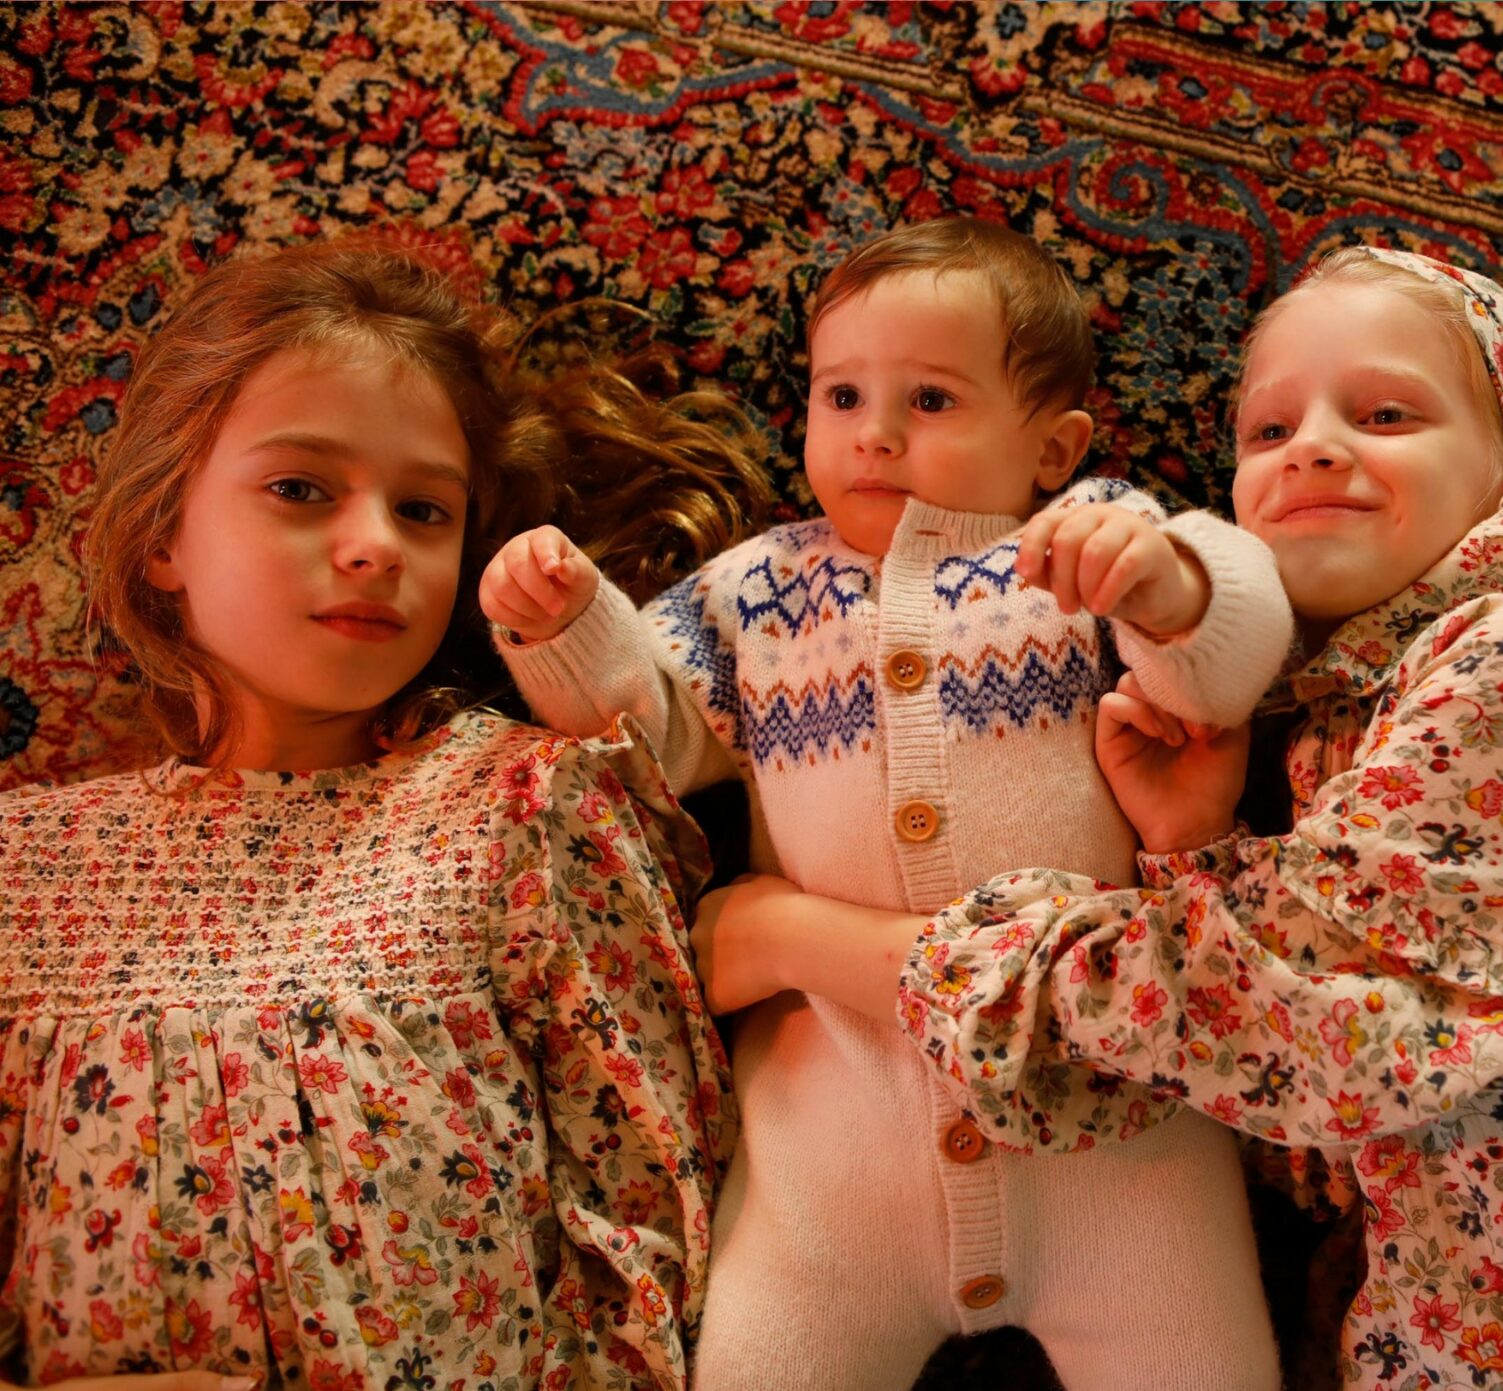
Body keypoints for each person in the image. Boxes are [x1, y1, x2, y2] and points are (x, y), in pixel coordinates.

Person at [688, 245, 1503, 1390]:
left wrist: (796, 937)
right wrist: (1194, 853)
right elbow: (1345, 1012)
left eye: (1384, 413)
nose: (1305, 447)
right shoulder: (1341, 725)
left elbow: (1266, 1020)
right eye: (1262, 430)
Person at [481, 217, 1296, 1390]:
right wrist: (563, 624)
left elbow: (1227, 666)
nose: (871, 433)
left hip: (1123, 1144)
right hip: (829, 1151)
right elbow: (645, 738)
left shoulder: (1082, 542)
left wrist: (1169, 587)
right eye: (840, 394)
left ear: (1053, 445)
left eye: (929, 401)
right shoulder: (760, 590)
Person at [0, 240, 772, 1389]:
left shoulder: (527, 806)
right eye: (301, 487)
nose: (373, 544)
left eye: (422, 510)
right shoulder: (27, 870)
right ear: (163, 534)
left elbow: (646, 1213)